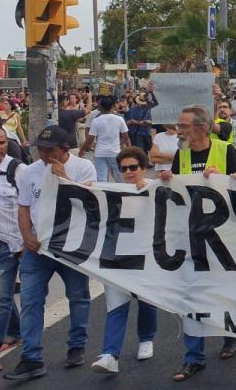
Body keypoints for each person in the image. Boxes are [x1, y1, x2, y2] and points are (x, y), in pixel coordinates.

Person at [158, 106, 236, 382]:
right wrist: (166, 182)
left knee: (222, 292)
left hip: (222, 238)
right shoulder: (181, 155)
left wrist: (224, 178)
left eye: (183, 126)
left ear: (202, 128)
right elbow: (174, 192)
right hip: (190, 236)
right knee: (191, 296)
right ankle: (193, 357)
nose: (178, 131)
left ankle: (229, 336)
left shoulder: (225, 151)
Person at [5, 126, 96, 381]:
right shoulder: (29, 172)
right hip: (39, 249)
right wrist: (27, 236)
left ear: (65, 149)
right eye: (40, 150)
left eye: (50, 150)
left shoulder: (84, 168)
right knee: (32, 301)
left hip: (71, 246)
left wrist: (63, 177)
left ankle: (77, 344)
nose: (44, 155)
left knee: (78, 296)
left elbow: (86, 203)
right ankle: (31, 357)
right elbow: (24, 207)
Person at [90, 147, 158, 375]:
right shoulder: (111, 191)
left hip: (146, 257)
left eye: (133, 167)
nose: (128, 172)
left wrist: (150, 190)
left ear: (143, 168)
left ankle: (146, 339)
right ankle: (110, 354)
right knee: (116, 306)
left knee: (147, 301)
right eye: (123, 169)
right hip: (116, 258)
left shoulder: (155, 188)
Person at [0, 124, 25, 375]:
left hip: (8, 245)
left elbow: (32, 204)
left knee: (0, 298)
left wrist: (27, 240)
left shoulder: (18, 170)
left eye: (2, 142)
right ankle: (16, 331)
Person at [80, 96, 130, 182]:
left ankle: (104, 194)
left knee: (101, 178)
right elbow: (126, 137)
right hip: (115, 153)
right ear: (112, 106)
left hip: (100, 153)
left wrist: (82, 149)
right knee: (119, 176)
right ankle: (119, 193)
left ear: (101, 107)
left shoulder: (96, 120)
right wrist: (130, 149)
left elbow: (90, 139)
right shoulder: (119, 119)